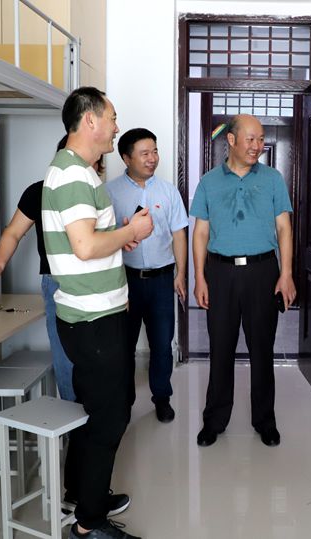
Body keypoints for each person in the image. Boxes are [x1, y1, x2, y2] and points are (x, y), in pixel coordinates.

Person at [42, 86, 153, 539]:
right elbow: (85, 246)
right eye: (111, 118)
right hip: (92, 321)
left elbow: (88, 242)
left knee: (107, 408)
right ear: (89, 120)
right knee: (111, 416)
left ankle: (88, 495)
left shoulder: (78, 171)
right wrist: (132, 229)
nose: (115, 127)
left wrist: (120, 236)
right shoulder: (73, 174)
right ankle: (89, 523)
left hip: (95, 315)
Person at [190, 114, 297, 448]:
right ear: (232, 140)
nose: (257, 146)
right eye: (250, 139)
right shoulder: (209, 182)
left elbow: (284, 228)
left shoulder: (273, 179)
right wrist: (199, 277)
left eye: (261, 139)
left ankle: (265, 421)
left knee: (262, 349)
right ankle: (214, 420)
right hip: (220, 272)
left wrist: (286, 273)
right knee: (220, 348)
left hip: (262, 271)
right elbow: (201, 232)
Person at [0, 136, 104, 403]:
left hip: (98, 281)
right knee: (65, 353)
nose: (94, 165)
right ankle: (73, 417)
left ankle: (98, 415)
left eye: (97, 160)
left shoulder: (99, 193)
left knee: (99, 352)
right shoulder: (39, 191)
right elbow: (13, 232)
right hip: (57, 282)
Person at [105, 128, 188, 423]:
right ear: (126, 158)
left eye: (155, 151)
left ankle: (162, 398)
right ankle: (123, 401)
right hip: (124, 280)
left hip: (162, 280)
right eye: (144, 153)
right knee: (123, 346)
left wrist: (181, 273)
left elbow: (179, 234)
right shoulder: (109, 192)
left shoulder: (168, 191)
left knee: (162, 345)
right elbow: (102, 238)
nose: (152, 158)